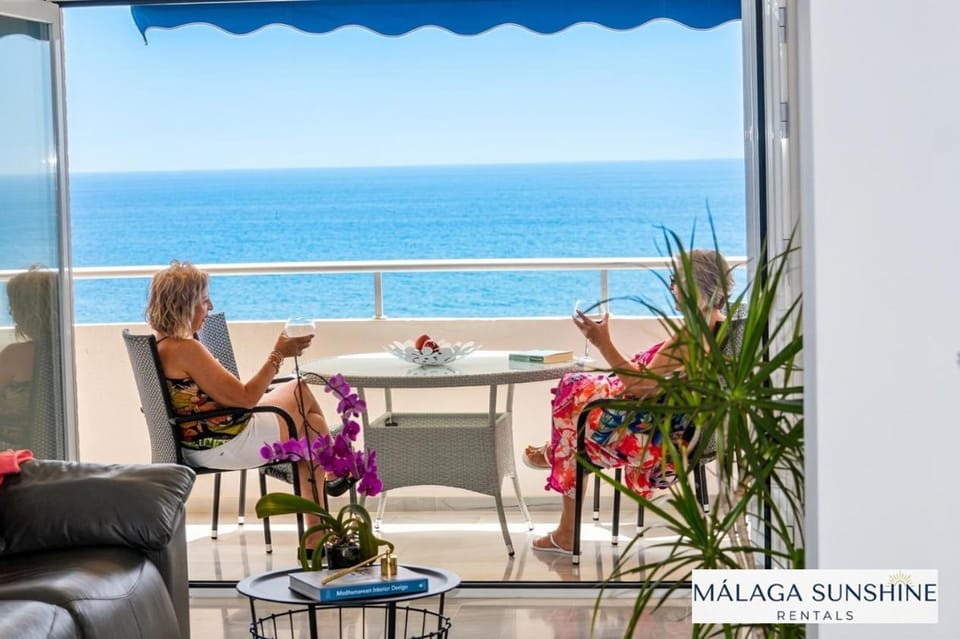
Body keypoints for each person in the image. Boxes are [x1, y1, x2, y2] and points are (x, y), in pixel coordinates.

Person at [522, 249, 733, 554]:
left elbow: (638, 386)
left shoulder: (693, 335)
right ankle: (553, 452)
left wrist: (602, 342)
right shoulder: (717, 324)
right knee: (576, 392)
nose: (672, 286)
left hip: (658, 438)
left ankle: (564, 513)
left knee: (572, 419)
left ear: (693, 286)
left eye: (676, 280)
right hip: (674, 422)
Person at [146, 260, 353, 509]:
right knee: (300, 389)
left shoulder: (162, 344)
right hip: (225, 444)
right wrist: (277, 354)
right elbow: (245, 399)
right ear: (183, 306)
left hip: (200, 441)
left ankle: (315, 538)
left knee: (313, 428)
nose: (210, 306)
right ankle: (336, 473)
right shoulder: (186, 349)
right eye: (203, 301)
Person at [0, 266, 57, 448]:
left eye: (13, 306)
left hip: (10, 455)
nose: (11, 313)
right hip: (43, 454)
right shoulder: (60, 355)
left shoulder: (15, 356)